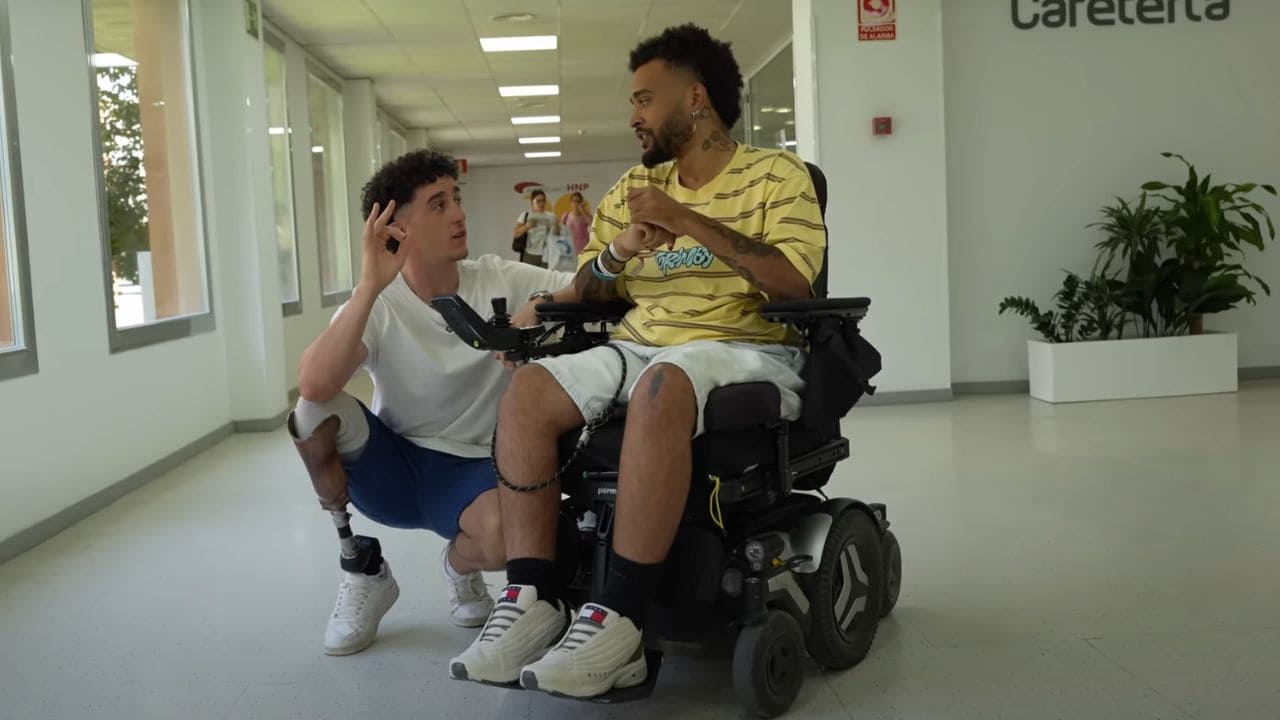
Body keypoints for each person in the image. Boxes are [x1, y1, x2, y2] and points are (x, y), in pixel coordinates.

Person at [450, 24, 826, 698]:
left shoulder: (778, 175)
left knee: (664, 383)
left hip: (743, 351)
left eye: (646, 99)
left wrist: (689, 222)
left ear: (697, 99)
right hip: (638, 345)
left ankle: (620, 620)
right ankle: (534, 598)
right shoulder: (631, 188)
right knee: (530, 391)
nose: (633, 116)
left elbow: (796, 281)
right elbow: (595, 290)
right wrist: (619, 250)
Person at [287, 149, 575, 656]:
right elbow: (313, 385)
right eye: (438, 205)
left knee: (511, 539)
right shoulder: (379, 301)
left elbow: (584, 282)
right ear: (398, 229)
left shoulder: (499, 278)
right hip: (395, 467)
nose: (459, 214)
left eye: (456, 199)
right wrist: (370, 284)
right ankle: (362, 568)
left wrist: (536, 309)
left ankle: (457, 568)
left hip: (472, 471)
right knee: (311, 415)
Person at [511, 189, 558, 267]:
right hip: (530, 254)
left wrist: (556, 226)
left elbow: (557, 235)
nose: (541, 203)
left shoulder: (551, 216)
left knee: (545, 279)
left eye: (543, 201)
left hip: (547, 255)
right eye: (538, 201)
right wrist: (526, 227)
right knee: (529, 278)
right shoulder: (526, 215)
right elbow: (515, 234)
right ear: (532, 202)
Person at [560, 191, 592, 255]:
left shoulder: (584, 215)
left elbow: (593, 223)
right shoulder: (566, 215)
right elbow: (560, 232)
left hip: (584, 249)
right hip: (570, 249)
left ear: (581, 203)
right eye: (574, 201)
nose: (576, 203)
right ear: (571, 203)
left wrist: (584, 210)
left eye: (578, 201)